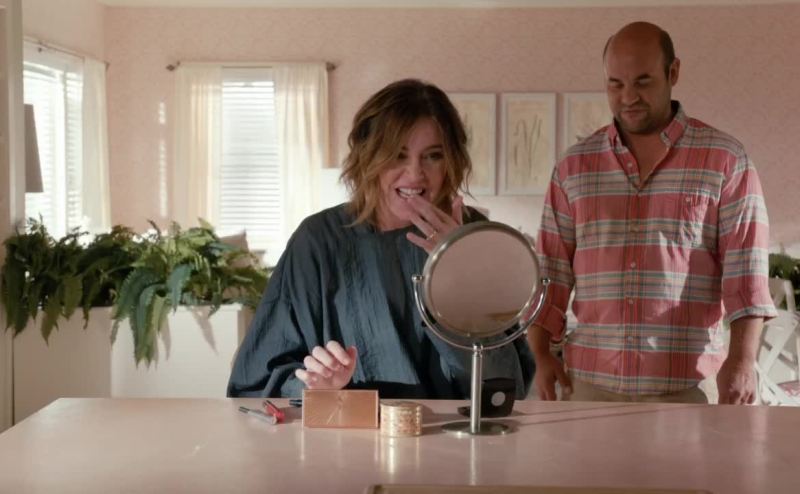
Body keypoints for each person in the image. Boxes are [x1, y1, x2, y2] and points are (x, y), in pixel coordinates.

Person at [228, 79, 534, 399]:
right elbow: (258, 377)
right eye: (398, 155)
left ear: (452, 162)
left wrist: (457, 276)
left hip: (454, 427)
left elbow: (506, 386)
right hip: (350, 427)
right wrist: (316, 385)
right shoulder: (319, 240)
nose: (415, 174)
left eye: (433, 156)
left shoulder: (474, 234)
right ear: (368, 159)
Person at [529, 21, 776, 405]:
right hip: (590, 386)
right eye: (615, 84)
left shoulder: (725, 161)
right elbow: (550, 272)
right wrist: (541, 354)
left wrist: (743, 360)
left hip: (688, 390)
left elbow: (746, 274)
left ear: (673, 72)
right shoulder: (573, 167)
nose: (628, 97)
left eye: (643, 82)